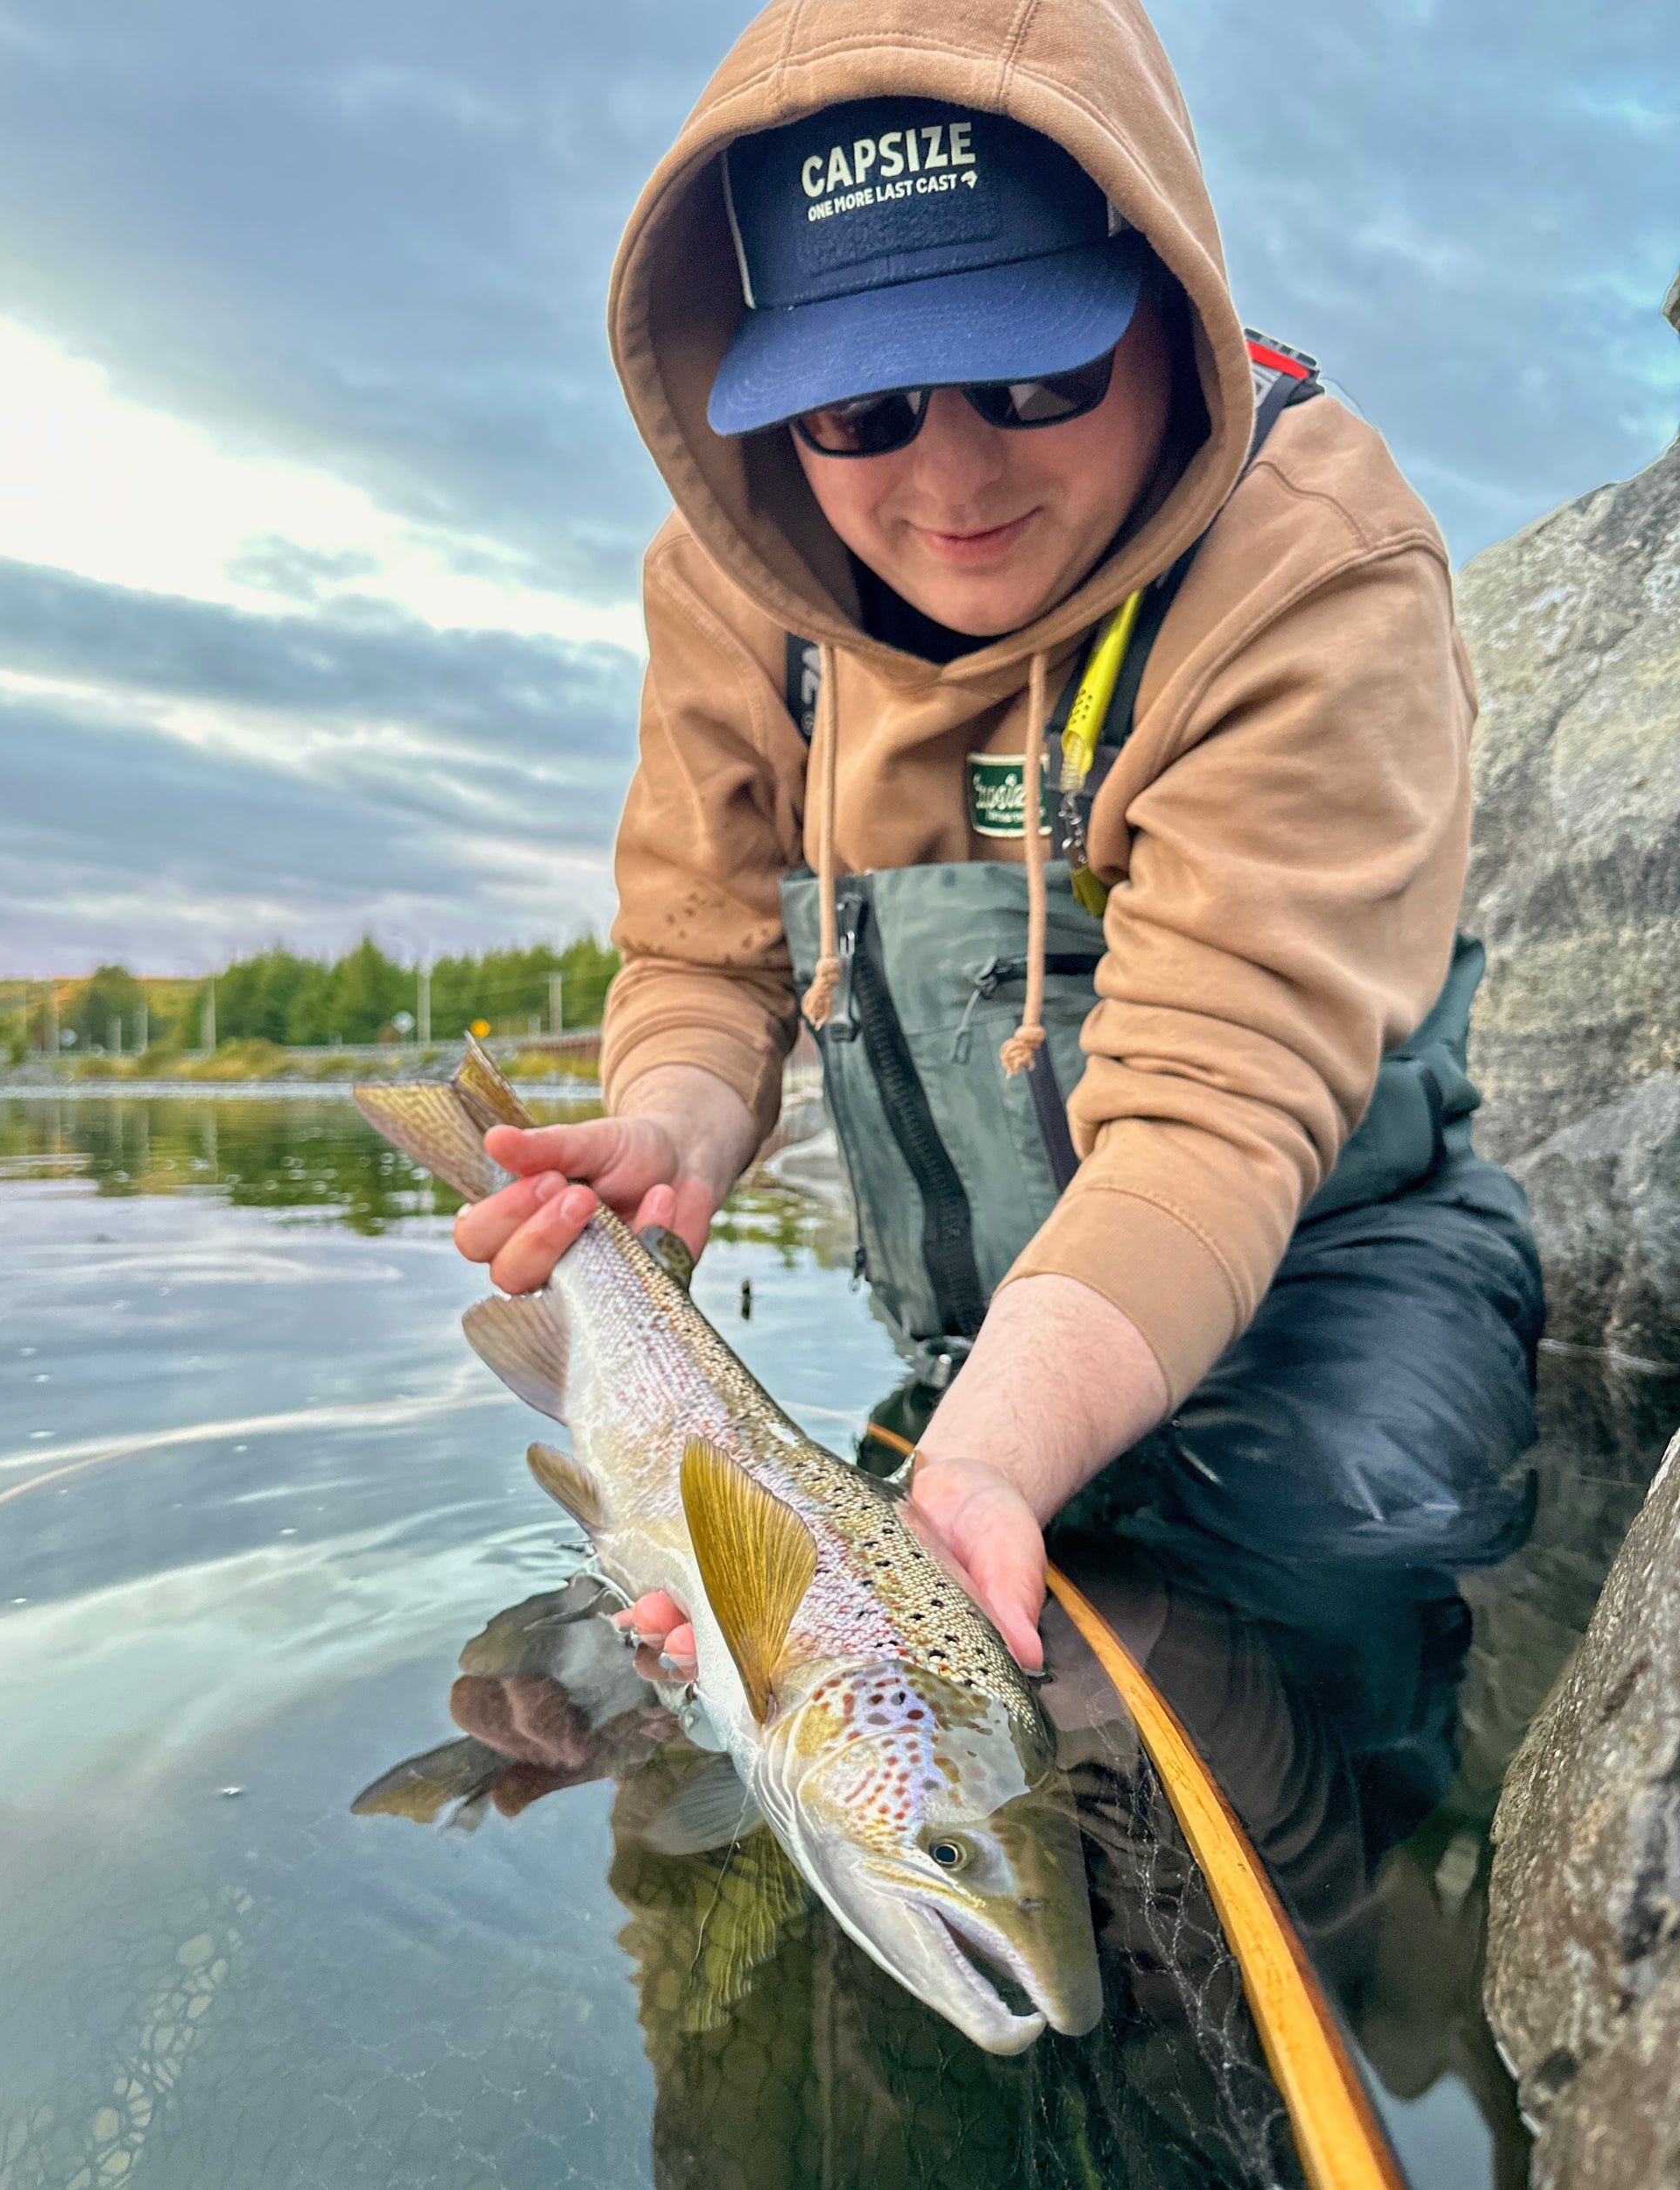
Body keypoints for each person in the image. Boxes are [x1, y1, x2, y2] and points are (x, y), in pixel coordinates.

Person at [455, 0, 1543, 1684]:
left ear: (1162, 306)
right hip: (980, 1322)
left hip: (1332, 1287)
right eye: (856, 412)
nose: (951, 477)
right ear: (766, 401)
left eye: (1039, 374)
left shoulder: (1318, 568)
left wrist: (980, 1464)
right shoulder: (728, 584)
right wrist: (669, 1127)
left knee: (1329, 1593)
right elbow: (701, 953)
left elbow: (1219, 1103)